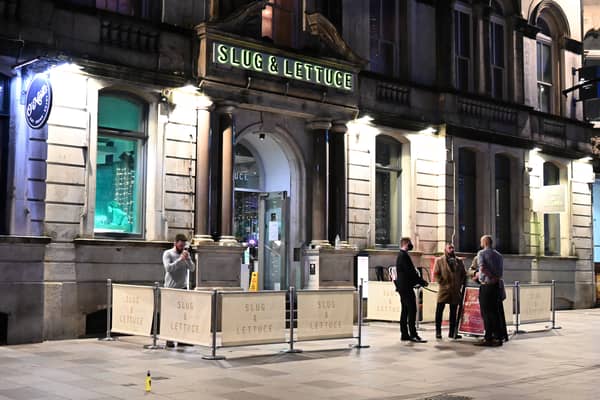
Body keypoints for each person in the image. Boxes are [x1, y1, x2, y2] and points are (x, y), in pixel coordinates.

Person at [470, 235, 504, 347]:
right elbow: (500, 273)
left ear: (484, 243)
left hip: (486, 286)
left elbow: (482, 267)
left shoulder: (481, 253)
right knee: (495, 312)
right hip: (496, 286)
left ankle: (488, 337)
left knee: (486, 313)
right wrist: (496, 278)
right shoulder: (499, 255)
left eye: (481, 241)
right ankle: (497, 337)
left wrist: (490, 276)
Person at [162, 234, 196, 348]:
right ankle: (169, 339)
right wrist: (180, 260)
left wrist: (187, 259)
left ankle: (182, 339)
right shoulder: (168, 253)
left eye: (184, 244)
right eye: (180, 243)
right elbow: (168, 268)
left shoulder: (185, 254)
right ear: (175, 243)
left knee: (182, 315)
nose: (182, 246)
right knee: (171, 314)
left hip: (182, 288)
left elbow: (192, 268)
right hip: (170, 289)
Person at [394, 237, 429, 343]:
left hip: (403, 287)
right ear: (406, 244)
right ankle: (413, 334)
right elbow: (410, 272)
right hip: (406, 287)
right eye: (410, 243)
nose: (411, 245)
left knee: (405, 310)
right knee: (412, 310)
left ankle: (404, 334)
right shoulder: (403, 256)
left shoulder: (401, 255)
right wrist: (422, 281)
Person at [433, 243, 466, 340]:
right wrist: (442, 282)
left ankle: (452, 333)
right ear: (445, 249)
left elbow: (463, 274)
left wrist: (460, 284)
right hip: (444, 290)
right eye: (450, 248)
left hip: (455, 290)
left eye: (453, 247)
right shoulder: (439, 261)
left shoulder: (459, 261)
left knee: (453, 312)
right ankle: (438, 332)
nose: (452, 249)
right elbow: (436, 274)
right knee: (439, 311)